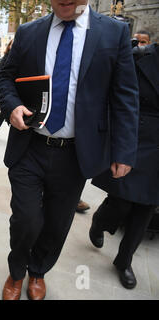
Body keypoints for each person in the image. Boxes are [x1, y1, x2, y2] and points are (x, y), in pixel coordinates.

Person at [0, 0, 139, 300]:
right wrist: (12, 106)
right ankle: (17, 271)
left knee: (57, 223)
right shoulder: (29, 32)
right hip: (30, 147)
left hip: (75, 155)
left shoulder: (114, 33)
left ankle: (38, 271)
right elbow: (5, 77)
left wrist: (124, 150)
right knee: (25, 219)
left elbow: (125, 95)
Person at [89, 41, 158, 290]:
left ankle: (124, 261)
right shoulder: (140, 56)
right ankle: (100, 221)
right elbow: (118, 98)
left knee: (146, 208)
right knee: (122, 200)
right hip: (135, 138)